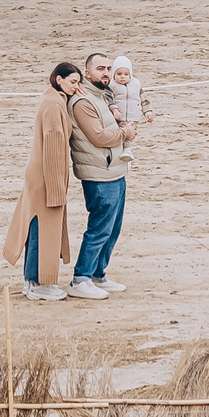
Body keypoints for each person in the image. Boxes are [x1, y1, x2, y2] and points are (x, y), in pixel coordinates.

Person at [3, 62, 80, 302]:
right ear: (59, 79)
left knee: (36, 225)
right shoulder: (53, 104)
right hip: (46, 175)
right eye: (73, 82)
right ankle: (38, 283)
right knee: (41, 228)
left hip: (41, 173)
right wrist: (57, 188)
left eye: (79, 83)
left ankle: (32, 281)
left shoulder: (53, 100)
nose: (76, 88)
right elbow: (54, 145)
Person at [66, 51, 131, 298]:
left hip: (114, 170)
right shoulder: (83, 101)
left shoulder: (102, 96)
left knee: (113, 228)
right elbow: (98, 137)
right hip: (99, 174)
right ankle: (80, 279)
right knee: (99, 228)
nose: (106, 73)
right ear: (87, 72)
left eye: (109, 68)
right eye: (100, 68)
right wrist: (126, 133)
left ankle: (97, 274)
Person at [106, 55, 149, 133]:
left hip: (133, 118)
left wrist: (148, 112)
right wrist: (114, 110)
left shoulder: (136, 85)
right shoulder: (111, 86)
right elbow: (109, 99)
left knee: (131, 134)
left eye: (126, 74)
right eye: (119, 74)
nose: (122, 76)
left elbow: (144, 100)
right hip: (118, 119)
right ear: (113, 74)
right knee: (121, 135)